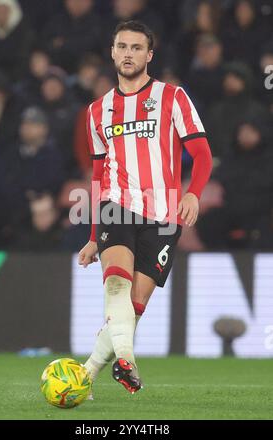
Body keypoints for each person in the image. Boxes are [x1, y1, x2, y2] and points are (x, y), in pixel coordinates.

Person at [78, 20, 212, 395]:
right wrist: (93, 237)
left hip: (165, 215)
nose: (128, 54)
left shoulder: (174, 97)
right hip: (115, 206)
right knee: (117, 284)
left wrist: (193, 193)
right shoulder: (97, 111)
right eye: (122, 46)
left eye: (137, 48)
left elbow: (201, 154)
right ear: (112, 51)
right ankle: (128, 361)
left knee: (135, 305)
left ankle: (86, 375)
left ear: (149, 55)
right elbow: (99, 172)